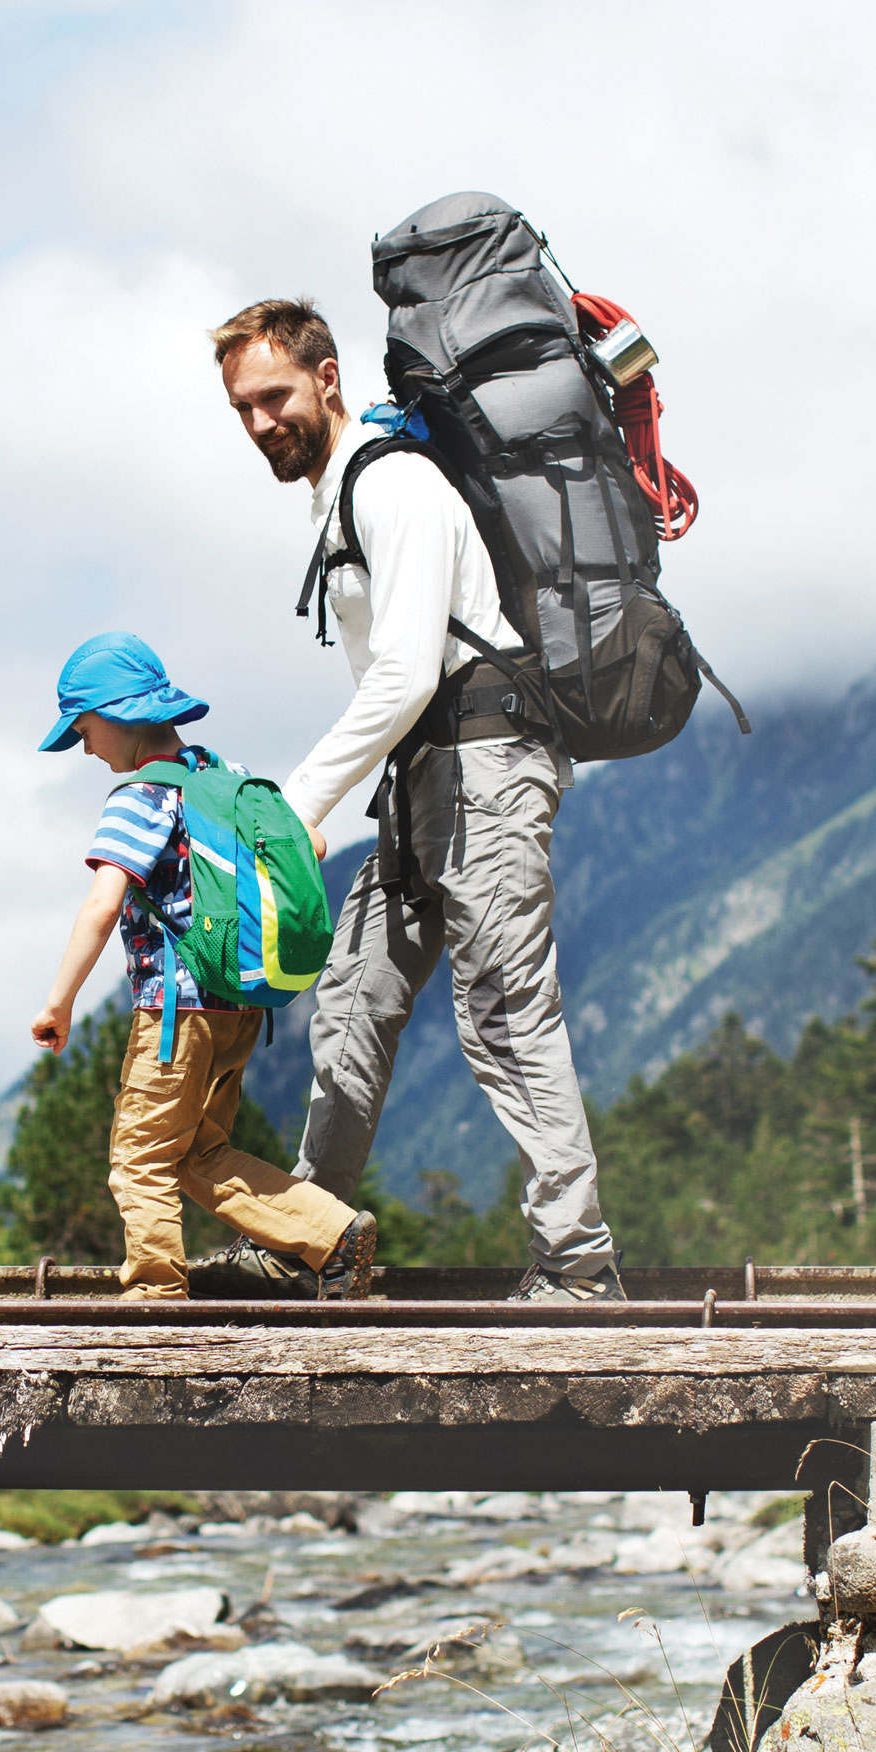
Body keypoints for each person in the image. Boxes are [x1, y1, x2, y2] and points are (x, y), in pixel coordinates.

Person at [205, 297, 624, 1301]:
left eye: (275, 396)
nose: (262, 422)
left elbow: (402, 673)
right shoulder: (345, 496)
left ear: (328, 379)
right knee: (350, 999)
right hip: (422, 776)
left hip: (486, 767)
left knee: (504, 1011)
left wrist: (295, 805)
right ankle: (312, 1239)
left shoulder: (394, 484)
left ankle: (578, 1269)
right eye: (242, 409)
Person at [28, 631, 376, 1302]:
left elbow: (103, 906)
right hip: (237, 1005)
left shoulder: (140, 799)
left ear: (118, 716)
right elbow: (313, 841)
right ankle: (333, 1233)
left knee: (140, 1157)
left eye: (84, 729)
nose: (85, 746)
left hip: (175, 1014)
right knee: (199, 1155)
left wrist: (59, 1002)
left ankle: (155, 1298)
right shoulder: (226, 778)